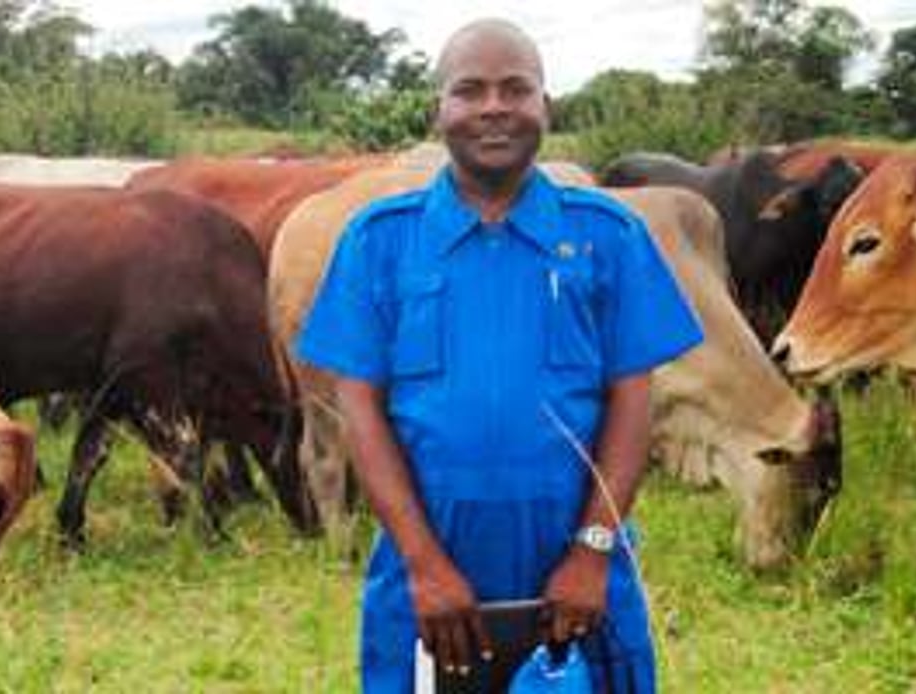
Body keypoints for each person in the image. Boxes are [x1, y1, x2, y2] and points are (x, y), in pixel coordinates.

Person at [297, 18, 703, 693]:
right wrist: (423, 565)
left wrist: (592, 552)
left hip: (575, 569)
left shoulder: (607, 236)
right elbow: (358, 409)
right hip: (427, 564)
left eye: (515, 89)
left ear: (545, 105)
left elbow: (634, 399)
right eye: (469, 90)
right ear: (439, 110)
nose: (493, 107)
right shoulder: (378, 242)